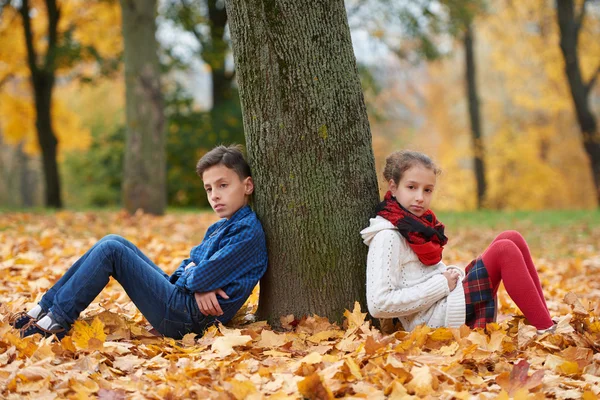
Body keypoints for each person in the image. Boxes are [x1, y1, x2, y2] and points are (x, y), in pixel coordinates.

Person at [10, 145, 268, 340]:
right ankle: (43, 309)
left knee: (112, 251)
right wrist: (198, 280)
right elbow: (187, 266)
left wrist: (198, 280)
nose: (215, 195)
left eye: (223, 185)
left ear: (247, 186)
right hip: (183, 301)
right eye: (209, 189)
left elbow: (197, 274)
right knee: (114, 240)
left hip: (187, 320)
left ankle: (55, 320)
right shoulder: (221, 226)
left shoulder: (246, 232)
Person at [361, 150, 555, 333]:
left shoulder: (417, 227)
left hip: (446, 305)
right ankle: (546, 330)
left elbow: (425, 275)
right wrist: (441, 284)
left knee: (512, 237)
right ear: (393, 187)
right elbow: (379, 304)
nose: (420, 197)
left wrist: (448, 274)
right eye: (411, 187)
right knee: (504, 250)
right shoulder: (388, 236)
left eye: (427, 190)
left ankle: (545, 322)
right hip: (433, 323)